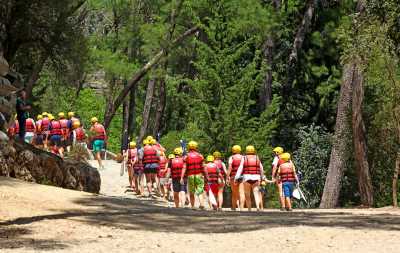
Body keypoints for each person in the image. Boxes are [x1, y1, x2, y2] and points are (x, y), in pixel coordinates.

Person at [235, 145, 265, 211]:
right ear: (253, 150)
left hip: (247, 178)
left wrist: (236, 177)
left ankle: (249, 209)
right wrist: (262, 177)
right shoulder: (257, 158)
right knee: (256, 193)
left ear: (246, 151)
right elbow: (261, 169)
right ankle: (257, 207)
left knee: (247, 194)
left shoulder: (244, 158)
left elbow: (240, 168)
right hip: (256, 178)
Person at [180, 141, 207, 209]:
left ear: (189, 147)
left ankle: (193, 206)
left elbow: (184, 167)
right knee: (200, 190)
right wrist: (207, 176)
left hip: (190, 176)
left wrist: (181, 177)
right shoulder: (200, 156)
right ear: (196, 147)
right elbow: (203, 167)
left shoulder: (186, 156)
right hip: (199, 175)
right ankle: (201, 204)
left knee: (191, 191)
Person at [227, 145, 244, 211]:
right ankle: (241, 208)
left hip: (233, 176)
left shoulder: (231, 157)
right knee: (241, 193)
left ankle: (234, 208)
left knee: (234, 193)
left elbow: (230, 168)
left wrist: (227, 177)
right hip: (242, 176)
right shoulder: (243, 157)